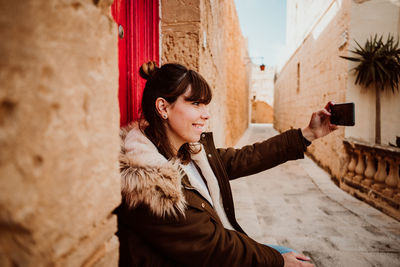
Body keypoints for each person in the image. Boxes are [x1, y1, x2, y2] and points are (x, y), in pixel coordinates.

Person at [116, 61, 338, 267]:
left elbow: (248, 157)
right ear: (163, 108)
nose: (206, 114)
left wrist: (309, 133)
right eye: (196, 104)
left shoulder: (186, 154)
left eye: (205, 105)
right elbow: (215, 247)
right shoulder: (151, 187)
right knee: (292, 258)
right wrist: (278, 261)